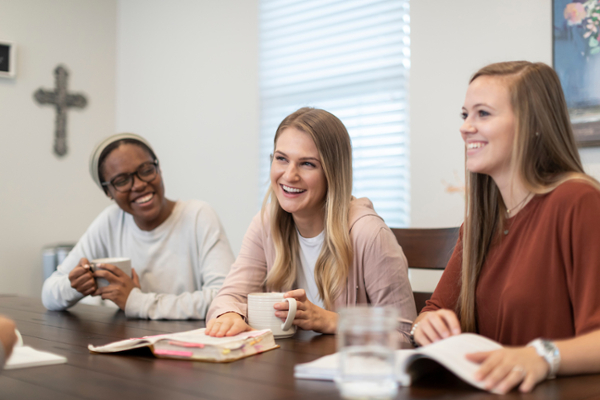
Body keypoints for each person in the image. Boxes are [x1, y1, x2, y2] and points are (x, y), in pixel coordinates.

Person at [410, 61, 600, 394]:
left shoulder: (578, 200)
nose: (466, 127)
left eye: (483, 114)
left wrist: (541, 356)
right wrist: (428, 327)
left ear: (533, 124)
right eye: (464, 115)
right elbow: (433, 311)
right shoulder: (480, 222)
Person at [205, 107, 416, 339]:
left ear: (332, 173)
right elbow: (228, 297)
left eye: (307, 164)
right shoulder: (266, 224)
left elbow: (405, 333)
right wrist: (229, 316)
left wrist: (332, 321)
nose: (289, 175)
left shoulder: (369, 233)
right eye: (281, 159)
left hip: (346, 370)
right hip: (286, 367)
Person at [42, 133, 235, 319]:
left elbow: (225, 298)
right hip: (125, 343)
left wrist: (137, 302)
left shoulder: (198, 216)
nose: (139, 185)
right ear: (108, 192)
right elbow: (48, 294)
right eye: (122, 181)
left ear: (158, 169)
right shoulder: (110, 222)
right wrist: (74, 286)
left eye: (146, 170)